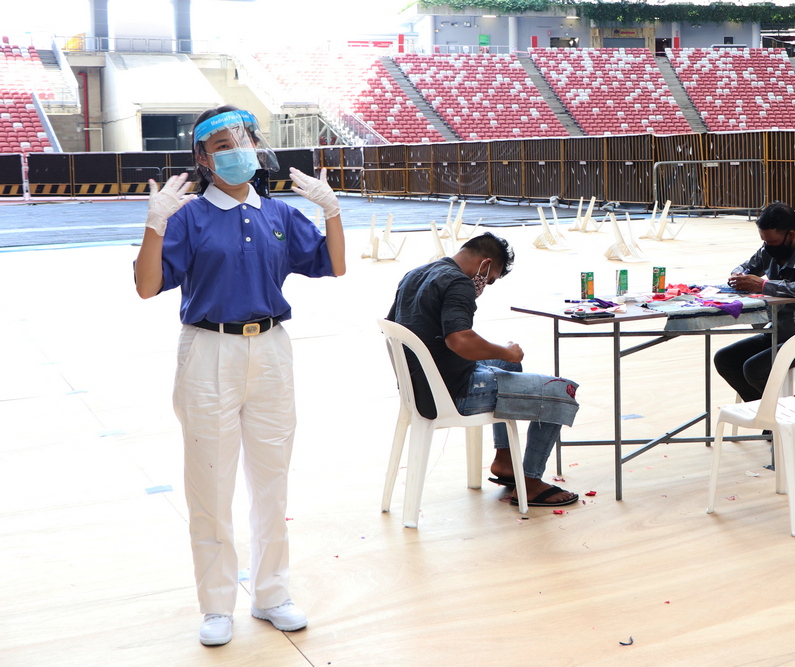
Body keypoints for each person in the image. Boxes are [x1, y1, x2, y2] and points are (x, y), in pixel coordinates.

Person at [133, 105, 346, 646]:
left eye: (246, 138)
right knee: (211, 484)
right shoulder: (186, 217)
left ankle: (273, 594)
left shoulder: (277, 214)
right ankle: (217, 604)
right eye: (224, 143)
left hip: (271, 351)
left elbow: (334, 265)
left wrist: (334, 213)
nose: (239, 149)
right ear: (203, 158)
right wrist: (154, 225)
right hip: (209, 352)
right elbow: (145, 285)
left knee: (272, 480)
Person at [387, 232, 580, 508]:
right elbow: (459, 340)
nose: (483, 286)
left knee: (509, 365)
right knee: (562, 391)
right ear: (485, 264)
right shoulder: (458, 282)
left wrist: (505, 357)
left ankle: (504, 460)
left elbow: (397, 328)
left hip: (422, 386)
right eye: (489, 279)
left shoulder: (416, 274)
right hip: (454, 392)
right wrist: (505, 350)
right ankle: (532, 482)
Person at [715, 202, 795, 401]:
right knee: (725, 359)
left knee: (753, 369)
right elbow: (746, 267)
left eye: (771, 242)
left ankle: (783, 418)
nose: (767, 246)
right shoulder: (769, 249)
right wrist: (738, 275)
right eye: (764, 241)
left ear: (790, 235)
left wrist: (764, 286)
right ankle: (773, 415)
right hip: (779, 332)